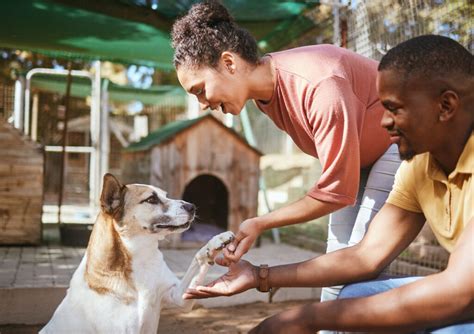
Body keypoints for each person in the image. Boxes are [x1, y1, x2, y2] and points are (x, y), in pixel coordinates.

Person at [183, 35, 474, 333]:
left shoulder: (321, 84)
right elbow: (365, 256)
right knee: (353, 293)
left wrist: (304, 320)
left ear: (446, 105)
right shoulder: (420, 167)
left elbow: (460, 293)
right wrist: (260, 276)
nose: (383, 122)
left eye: (394, 109)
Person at [171, 0, 401, 308]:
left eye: (200, 90)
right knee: (338, 259)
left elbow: (336, 192)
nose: (202, 104)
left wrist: (261, 222)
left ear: (229, 63)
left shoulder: (319, 85)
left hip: (399, 144)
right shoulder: (264, 95)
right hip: (363, 160)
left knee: (360, 260)